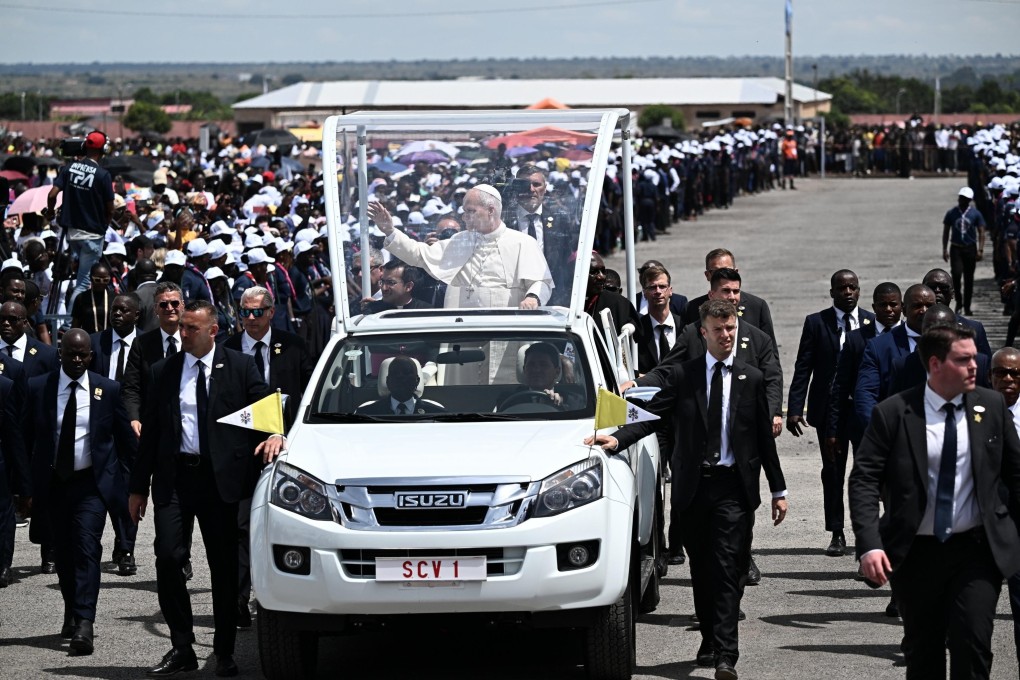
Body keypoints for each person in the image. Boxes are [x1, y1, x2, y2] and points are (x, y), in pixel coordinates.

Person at [587, 300, 787, 680]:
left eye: (731, 329)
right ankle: (710, 638)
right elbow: (652, 416)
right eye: (719, 330)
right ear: (703, 333)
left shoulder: (751, 379)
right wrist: (616, 439)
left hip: (734, 488)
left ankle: (727, 655)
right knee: (704, 568)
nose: (727, 336)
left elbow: (764, 439)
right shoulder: (684, 376)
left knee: (729, 569)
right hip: (694, 488)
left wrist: (779, 489)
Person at [850, 323, 1020, 680]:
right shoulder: (894, 413)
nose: (976, 366)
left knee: (972, 644)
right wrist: (869, 545)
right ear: (936, 364)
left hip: (975, 551)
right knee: (923, 652)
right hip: (916, 553)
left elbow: (1016, 475)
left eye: (975, 358)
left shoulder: (990, 407)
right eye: (964, 359)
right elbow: (864, 480)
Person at [128, 300, 284, 678]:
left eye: (191, 328)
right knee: (167, 557)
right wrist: (137, 488)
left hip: (221, 482)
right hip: (176, 479)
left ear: (212, 330)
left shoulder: (239, 366)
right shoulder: (163, 371)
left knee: (224, 568)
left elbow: (267, 407)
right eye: (181, 327)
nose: (182, 333)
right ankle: (182, 646)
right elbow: (150, 434)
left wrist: (276, 432)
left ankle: (225, 650)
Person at [24, 329, 136, 655]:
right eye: (70, 354)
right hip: (54, 484)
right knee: (64, 553)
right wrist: (25, 487)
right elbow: (27, 437)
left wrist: (135, 484)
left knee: (87, 548)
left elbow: (126, 442)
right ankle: (72, 608)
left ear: (90, 356)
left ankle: (85, 622)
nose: (76, 360)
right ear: (60, 352)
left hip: (92, 485)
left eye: (82, 355)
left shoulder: (107, 390)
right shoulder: (39, 388)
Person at [222, 285, 314, 627]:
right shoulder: (228, 349)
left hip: (286, 447)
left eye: (256, 312)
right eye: (243, 312)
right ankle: (237, 601)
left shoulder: (293, 346)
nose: (248, 318)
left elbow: (308, 397)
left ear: (271, 312)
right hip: (241, 450)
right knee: (241, 526)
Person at [786, 270, 875, 557]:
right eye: (842, 288)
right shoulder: (816, 323)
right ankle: (836, 532)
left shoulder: (871, 323)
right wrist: (795, 407)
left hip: (861, 412)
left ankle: (867, 534)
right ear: (832, 293)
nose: (847, 292)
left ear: (859, 292)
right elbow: (804, 366)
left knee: (865, 474)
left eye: (852, 287)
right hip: (829, 412)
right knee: (833, 472)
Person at [367, 185, 553, 309]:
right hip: (465, 331)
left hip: (508, 331)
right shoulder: (461, 241)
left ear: (491, 211)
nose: (465, 217)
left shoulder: (523, 242)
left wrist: (533, 298)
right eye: (464, 212)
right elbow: (419, 254)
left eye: (471, 211)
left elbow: (541, 281)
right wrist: (390, 231)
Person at [88, 292, 142, 575]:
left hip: (132, 426)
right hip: (101, 424)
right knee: (102, 487)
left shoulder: (145, 343)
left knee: (129, 489)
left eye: (124, 310)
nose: (117, 314)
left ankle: (126, 547)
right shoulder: (96, 342)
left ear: (136, 315)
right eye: (115, 310)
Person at [826, 282, 902, 452]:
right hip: (864, 425)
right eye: (883, 305)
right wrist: (833, 429)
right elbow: (841, 386)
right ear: (874, 307)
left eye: (893, 304)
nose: (889, 309)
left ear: (902, 306)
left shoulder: (912, 337)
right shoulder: (856, 339)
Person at [45, 131, 114, 308]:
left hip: (72, 233)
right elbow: (110, 208)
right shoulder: (103, 175)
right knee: (83, 284)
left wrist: (51, 212)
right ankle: (69, 324)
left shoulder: (68, 168)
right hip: (92, 236)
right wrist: (106, 224)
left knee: (78, 276)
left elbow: (52, 194)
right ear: (103, 150)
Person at [854, 284, 936, 432]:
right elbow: (865, 394)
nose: (924, 311)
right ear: (904, 310)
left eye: (929, 306)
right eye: (917, 306)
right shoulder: (879, 346)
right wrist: (879, 431)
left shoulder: (954, 344)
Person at [504, 164, 578, 306]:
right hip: (513, 298)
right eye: (525, 185)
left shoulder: (559, 220)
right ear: (516, 188)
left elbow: (566, 261)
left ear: (544, 188)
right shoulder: (504, 220)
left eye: (536, 184)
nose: (531, 190)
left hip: (553, 299)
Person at [990, 347, 1020, 669]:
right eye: (1001, 373)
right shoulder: (976, 412)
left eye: (1015, 374)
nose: (1008, 379)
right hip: (984, 526)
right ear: (990, 377)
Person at [121, 282, 184, 437]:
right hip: (153, 426)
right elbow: (131, 387)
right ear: (156, 309)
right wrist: (134, 418)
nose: (169, 308)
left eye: (174, 303)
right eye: (163, 304)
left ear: (183, 305)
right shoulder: (141, 343)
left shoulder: (194, 341)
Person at [682, 249, 776, 345]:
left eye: (728, 270)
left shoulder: (756, 307)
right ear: (707, 275)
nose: (723, 276)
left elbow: (770, 352)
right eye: (717, 272)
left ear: (736, 272)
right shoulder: (692, 309)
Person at [922, 268, 992, 358]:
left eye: (944, 288)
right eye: (931, 287)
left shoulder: (974, 329)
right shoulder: (910, 328)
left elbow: (986, 367)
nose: (937, 291)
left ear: (953, 294)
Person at [0, 373, 27, 588]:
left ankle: (3, 564)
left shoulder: (4, 387)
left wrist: (24, 484)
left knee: (3, 512)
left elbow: (13, 435)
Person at [942, 186, 986, 315]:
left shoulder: (975, 214)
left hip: (970, 248)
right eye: (961, 198)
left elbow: (981, 231)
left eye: (965, 199)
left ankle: (967, 305)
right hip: (956, 248)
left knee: (969, 278)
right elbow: (946, 231)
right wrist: (945, 249)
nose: (962, 201)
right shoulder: (952, 213)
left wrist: (980, 249)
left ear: (970, 200)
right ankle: (959, 303)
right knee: (956, 275)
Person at [355, 356, 445, 416]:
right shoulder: (365, 414)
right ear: (387, 381)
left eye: (406, 373)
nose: (401, 377)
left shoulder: (437, 414)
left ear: (417, 381)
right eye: (395, 373)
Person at [636, 264, 684, 375]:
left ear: (670, 291)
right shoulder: (637, 330)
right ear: (644, 293)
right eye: (652, 287)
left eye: (662, 286)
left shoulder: (685, 327)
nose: (658, 291)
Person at [0, 300, 59, 377]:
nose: (6, 323)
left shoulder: (47, 354)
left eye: (12, 319)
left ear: (24, 323)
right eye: (2, 318)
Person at [365, 260, 432, 313]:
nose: (383, 288)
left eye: (390, 282)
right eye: (382, 282)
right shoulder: (372, 310)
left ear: (408, 286)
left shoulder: (426, 312)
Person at [69, 262, 113, 335]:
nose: (101, 283)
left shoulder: (115, 298)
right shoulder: (81, 298)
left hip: (110, 341)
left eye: (105, 280)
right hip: (89, 341)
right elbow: (75, 326)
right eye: (97, 280)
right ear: (91, 278)